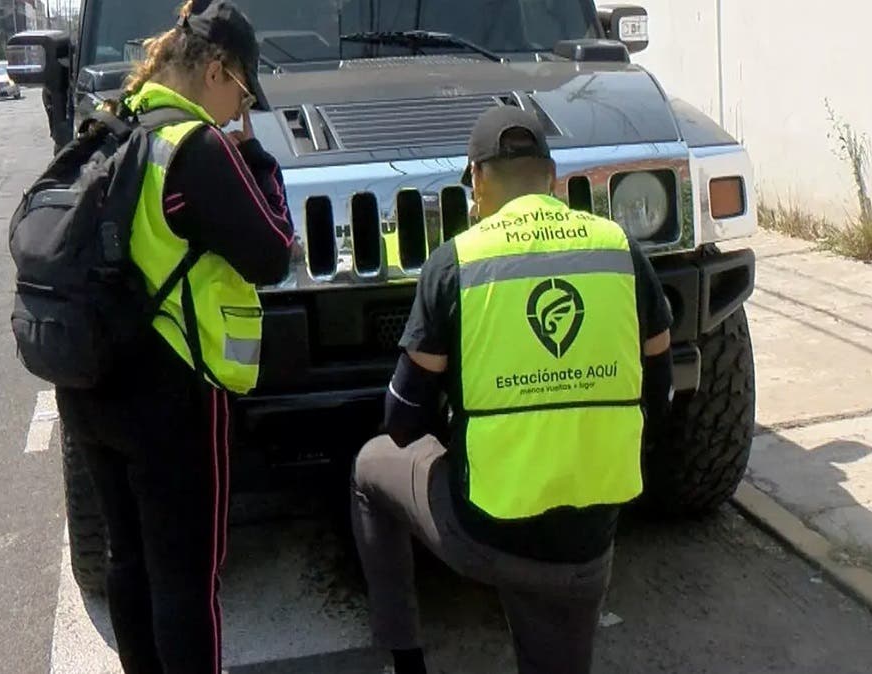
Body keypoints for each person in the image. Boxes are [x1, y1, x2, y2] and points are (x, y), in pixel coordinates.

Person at [349, 106, 674, 674]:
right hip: (589, 540)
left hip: (486, 528)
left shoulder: (456, 263)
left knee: (369, 468)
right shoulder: (621, 250)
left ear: (477, 179)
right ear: (552, 178)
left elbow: (400, 421)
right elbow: (660, 393)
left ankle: (404, 659)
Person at [53, 1, 294, 672]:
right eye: (242, 93)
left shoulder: (108, 126)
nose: (238, 111)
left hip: (90, 378)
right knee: (186, 578)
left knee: (127, 560)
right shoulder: (195, 149)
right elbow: (272, 254)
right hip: (172, 398)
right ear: (217, 70)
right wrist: (260, 161)